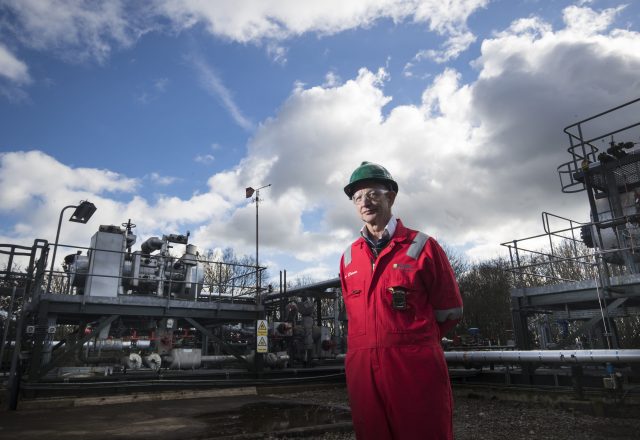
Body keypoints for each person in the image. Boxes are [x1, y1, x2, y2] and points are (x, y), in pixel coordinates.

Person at [339, 161, 463, 440]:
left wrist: (410, 340)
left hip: (413, 366)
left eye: (372, 193)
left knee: (423, 432)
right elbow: (354, 317)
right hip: (362, 371)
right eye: (357, 197)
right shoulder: (348, 258)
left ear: (391, 197)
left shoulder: (422, 246)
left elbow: (450, 311)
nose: (364, 202)